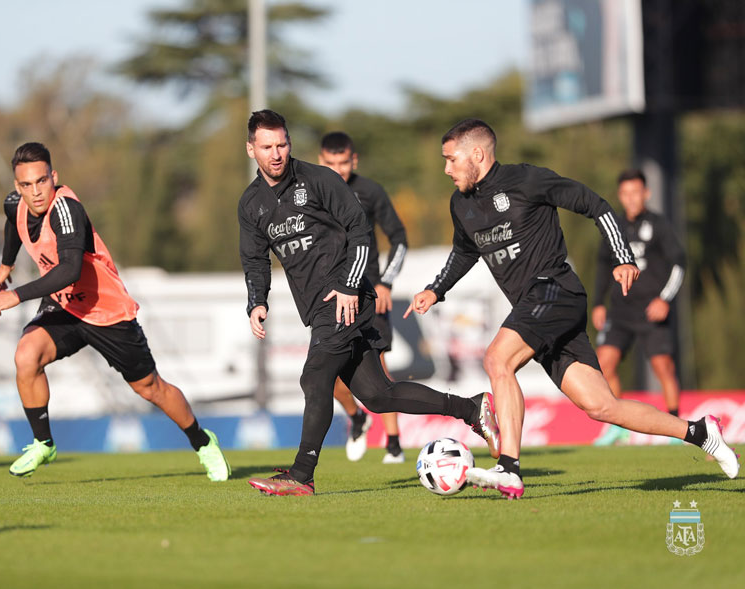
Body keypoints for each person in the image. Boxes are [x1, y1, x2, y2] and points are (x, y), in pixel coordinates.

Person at [405, 118, 739, 499]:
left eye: (451, 159)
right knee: (601, 406)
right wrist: (436, 289)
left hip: (555, 291)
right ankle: (699, 432)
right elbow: (465, 253)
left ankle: (509, 468)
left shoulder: (527, 180)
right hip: (538, 311)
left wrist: (623, 257)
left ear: (477, 154)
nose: (446, 168)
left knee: (498, 360)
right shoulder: (460, 204)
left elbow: (596, 205)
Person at [238, 110, 500, 496]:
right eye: (266, 147)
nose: (276, 153)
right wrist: (257, 300)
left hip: (346, 299)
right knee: (378, 396)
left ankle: (302, 475)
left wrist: (348, 285)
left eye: (282, 144)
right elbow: (254, 257)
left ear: (289, 143)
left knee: (314, 378)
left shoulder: (319, 179)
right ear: (251, 150)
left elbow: (361, 230)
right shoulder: (250, 204)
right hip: (319, 307)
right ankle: (473, 408)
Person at [0, 142, 230, 481]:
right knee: (26, 355)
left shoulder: (66, 208)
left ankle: (203, 442)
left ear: (53, 177)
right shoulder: (16, 204)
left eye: (42, 181)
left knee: (150, 388)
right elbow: (15, 223)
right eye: (27, 185)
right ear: (17, 187)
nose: (36, 191)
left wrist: (17, 295)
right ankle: (44, 443)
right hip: (65, 305)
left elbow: (70, 269)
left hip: (105, 310)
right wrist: (6, 264)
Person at [318, 131, 407, 464]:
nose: (338, 170)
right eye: (330, 163)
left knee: (380, 369)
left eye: (344, 163)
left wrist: (386, 282)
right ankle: (356, 416)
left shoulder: (370, 192)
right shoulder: (311, 192)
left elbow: (399, 238)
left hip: (370, 294)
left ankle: (394, 444)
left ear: (354, 161)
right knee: (327, 373)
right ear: (320, 160)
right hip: (330, 297)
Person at [592, 169, 686, 445]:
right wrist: (598, 302)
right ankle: (618, 426)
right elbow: (602, 266)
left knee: (664, 367)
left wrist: (664, 299)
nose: (631, 199)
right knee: (603, 363)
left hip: (651, 310)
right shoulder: (615, 227)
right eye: (625, 193)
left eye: (636, 193)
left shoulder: (659, 225)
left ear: (646, 193)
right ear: (620, 196)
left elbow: (679, 264)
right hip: (621, 310)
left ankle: (676, 428)